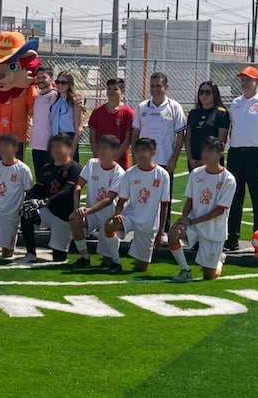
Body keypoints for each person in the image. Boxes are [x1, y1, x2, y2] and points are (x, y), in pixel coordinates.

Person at [225, 65, 258, 251]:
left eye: (249, 79)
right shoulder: (235, 103)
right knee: (234, 198)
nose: (245, 82)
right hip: (235, 154)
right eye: (242, 79)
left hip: (257, 155)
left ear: (257, 82)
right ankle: (232, 239)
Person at [169, 136, 237, 281]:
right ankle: (185, 270)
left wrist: (192, 222)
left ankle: (219, 261)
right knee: (173, 234)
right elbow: (190, 199)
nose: (205, 155)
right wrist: (183, 219)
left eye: (210, 151)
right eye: (204, 151)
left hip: (214, 230)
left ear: (219, 154)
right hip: (194, 225)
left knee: (209, 276)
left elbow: (220, 210)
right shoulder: (196, 173)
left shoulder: (228, 179)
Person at [131, 72, 185, 235]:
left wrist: (174, 159)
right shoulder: (142, 107)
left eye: (158, 86)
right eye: (152, 86)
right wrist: (135, 156)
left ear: (166, 87)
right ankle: (141, 230)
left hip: (164, 161)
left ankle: (163, 232)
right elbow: (135, 133)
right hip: (144, 162)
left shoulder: (174, 107)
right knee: (143, 197)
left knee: (164, 199)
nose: (154, 89)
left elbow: (180, 135)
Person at [106, 138, 170, 274]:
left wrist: (161, 232)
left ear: (153, 152)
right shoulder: (130, 173)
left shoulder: (162, 175)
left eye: (144, 150)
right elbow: (122, 199)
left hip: (149, 222)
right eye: (138, 150)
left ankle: (138, 253)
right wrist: (117, 214)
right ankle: (116, 262)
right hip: (130, 216)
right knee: (109, 225)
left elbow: (164, 206)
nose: (140, 154)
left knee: (141, 268)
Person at [19, 133, 81, 263]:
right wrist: (29, 199)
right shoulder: (47, 167)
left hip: (63, 217)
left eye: (60, 146)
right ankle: (31, 253)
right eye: (53, 147)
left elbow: (66, 191)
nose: (56, 150)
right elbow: (37, 188)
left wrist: (46, 201)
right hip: (48, 211)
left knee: (58, 258)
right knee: (26, 211)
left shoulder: (74, 167)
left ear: (69, 148)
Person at [69, 135, 126, 269]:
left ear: (115, 151)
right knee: (74, 220)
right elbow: (78, 186)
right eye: (100, 148)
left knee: (107, 261)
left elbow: (109, 199)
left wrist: (87, 210)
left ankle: (117, 263)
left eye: (105, 149)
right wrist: (77, 208)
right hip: (92, 213)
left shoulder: (119, 173)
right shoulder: (92, 163)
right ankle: (84, 257)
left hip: (109, 216)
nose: (100, 151)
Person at [88, 77, 134, 169]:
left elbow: (128, 138)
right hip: (101, 160)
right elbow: (92, 135)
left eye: (115, 89)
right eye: (109, 89)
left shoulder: (128, 112)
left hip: (120, 162)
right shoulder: (98, 111)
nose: (111, 91)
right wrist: (96, 154)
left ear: (123, 91)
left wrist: (115, 158)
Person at [185, 81, 230, 171]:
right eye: (201, 92)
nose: (204, 95)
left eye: (208, 92)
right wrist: (190, 158)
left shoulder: (221, 113)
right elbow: (188, 137)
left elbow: (222, 140)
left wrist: (206, 160)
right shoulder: (193, 113)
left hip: (213, 162)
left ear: (215, 94)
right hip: (194, 161)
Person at [49, 71, 84, 163]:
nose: (59, 85)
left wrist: (71, 151)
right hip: (56, 139)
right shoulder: (55, 100)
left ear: (69, 84)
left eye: (63, 82)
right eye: (57, 82)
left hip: (69, 139)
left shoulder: (75, 101)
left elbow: (79, 129)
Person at [29, 66, 57, 175]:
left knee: (50, 180)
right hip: (36, 145)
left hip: (49, 146)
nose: (40, 80)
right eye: (38, 77)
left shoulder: (56, 96)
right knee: (39, 179)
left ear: (51, 78)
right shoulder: (37, 97)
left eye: (43, 77)